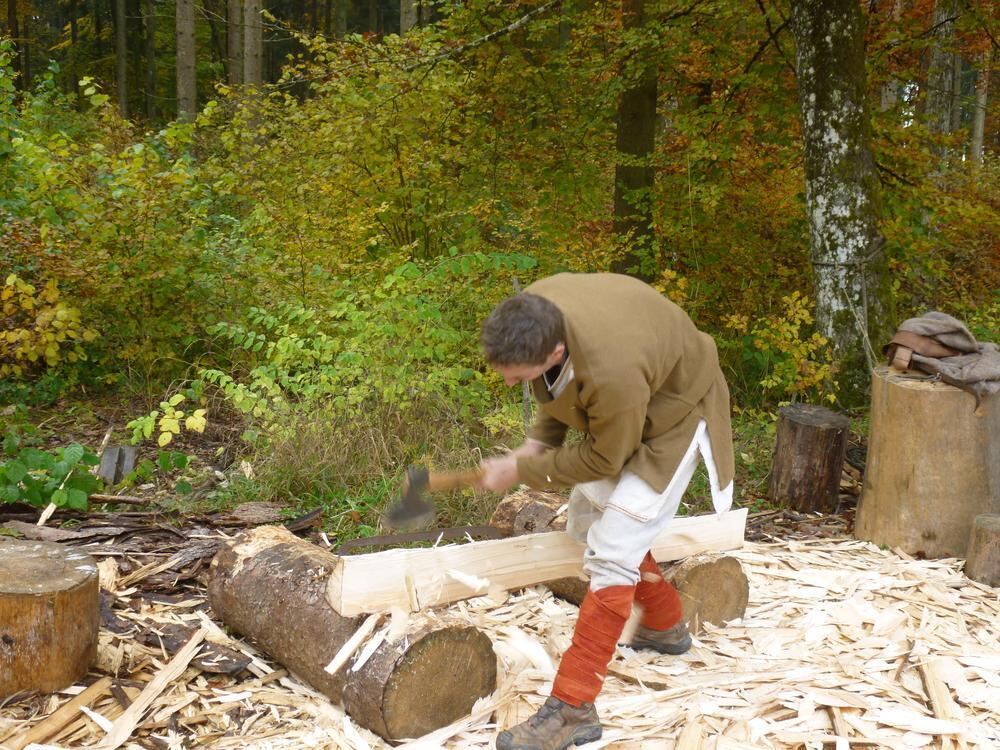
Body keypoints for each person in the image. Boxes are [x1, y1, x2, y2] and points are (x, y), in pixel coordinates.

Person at [477, 272, 735, 750]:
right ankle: (663, 625)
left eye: (516, 373)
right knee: (590, 515)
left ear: (555, 351)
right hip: (637, 392)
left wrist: (522, 472)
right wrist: (529, 450)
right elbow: (551, 393)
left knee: (615, 547)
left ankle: (574, 707)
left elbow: (604, 458)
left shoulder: (611, 369)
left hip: (677, 409)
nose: (509, 381)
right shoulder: (536, 311)